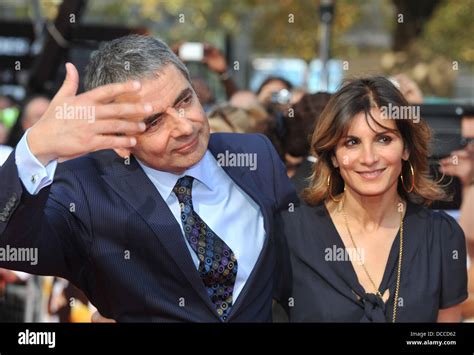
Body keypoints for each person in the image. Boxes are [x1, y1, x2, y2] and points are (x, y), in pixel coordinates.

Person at [0, 35, 297, 322]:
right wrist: (34, 149)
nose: (184, 126)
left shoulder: (255, 155)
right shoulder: (86, 191)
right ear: (117, 136)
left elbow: (297, 272)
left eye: (184, 101)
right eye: (154, 121)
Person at [275, 77, 468, 322]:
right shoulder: (290, 232)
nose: (369, 158)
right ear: (334, 155)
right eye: (352, 142)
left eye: (384, 139)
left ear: (406, 148)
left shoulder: (441, 236)